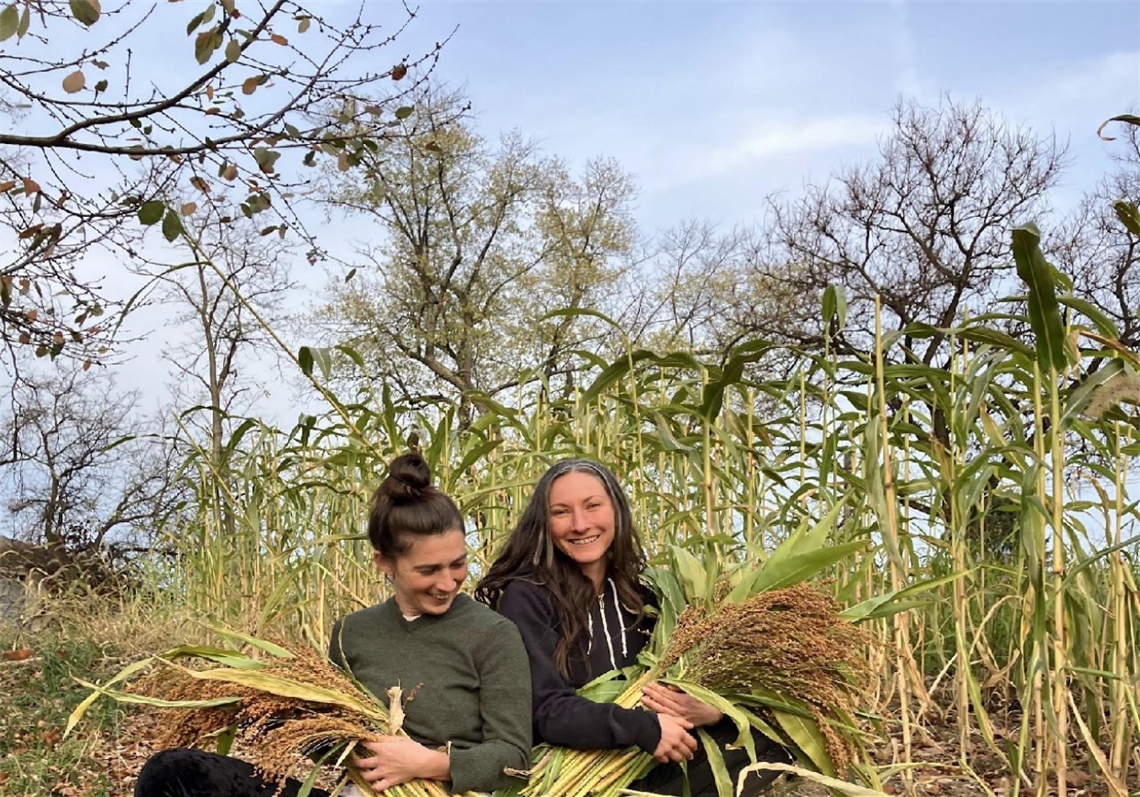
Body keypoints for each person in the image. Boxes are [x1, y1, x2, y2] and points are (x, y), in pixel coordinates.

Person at [135, 451, 532, 797]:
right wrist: (280, 714)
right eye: (428, 570)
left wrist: (428, 763)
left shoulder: (493, 635)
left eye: (458, 564)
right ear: (384, 563)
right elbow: (328, 746)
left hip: (443, 791)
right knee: (170, 773)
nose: (448, 583)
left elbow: (513, 757)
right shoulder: (352, 632)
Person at [475, 458, 789, 797]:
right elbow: (545, 710)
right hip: (574, 768)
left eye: (593, 506)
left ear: (617, 510)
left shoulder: (646, 595)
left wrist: (711, 710)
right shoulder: (527, 596)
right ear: (543, 523)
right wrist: (642, 727)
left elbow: (680, 683)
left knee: (768, 734)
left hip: (647, 760)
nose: (580, 524)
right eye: (561, 512)